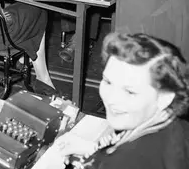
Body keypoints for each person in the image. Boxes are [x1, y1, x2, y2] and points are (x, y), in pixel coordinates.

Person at [52, 32, 189, 169]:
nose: (111, 99)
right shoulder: (175, 126)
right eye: (108, 82)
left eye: (130, 91)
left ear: (165, 97)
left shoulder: (125, 161)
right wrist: (92, 148)